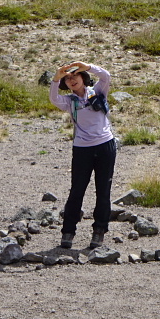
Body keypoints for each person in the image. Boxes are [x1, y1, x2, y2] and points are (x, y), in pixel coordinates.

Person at [49, 61, 116, 249]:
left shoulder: (98, 91)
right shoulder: (69, 101)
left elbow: (106, 76)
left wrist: (87, 66)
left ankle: (99, 231)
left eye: (75, 76)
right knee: (77, 190)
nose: (72, 80)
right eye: (68, 78)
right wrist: (56, 78)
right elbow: (54, 98)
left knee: (103, 190)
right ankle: (68, 232)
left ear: (83, 77)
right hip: (82, 149)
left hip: (106, 146)